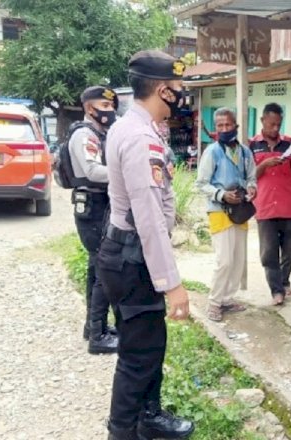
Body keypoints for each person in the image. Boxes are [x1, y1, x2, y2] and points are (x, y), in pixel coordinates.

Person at [96, 50, 194, 440]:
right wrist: (172, 283)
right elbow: (148, 217)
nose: (181, 96)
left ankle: (148, 416)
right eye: (178, 89)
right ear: (161, 89)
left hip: (128, 254)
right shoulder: (139, 137)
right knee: (139, 356)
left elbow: (161, 198)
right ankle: (122, 431)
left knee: (148, 344)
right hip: (132, 257)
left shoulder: (141, 129)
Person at [69, 85, 119, 355]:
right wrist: (124, 173)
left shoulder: (100, 133)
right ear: (90, 108)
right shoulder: (85, 134)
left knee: (95, 267)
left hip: (97, 205)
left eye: (112, 106)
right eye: (106, 106)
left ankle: (93, 326)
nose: (110, 111)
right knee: (103, 269)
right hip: (92, 207)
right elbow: (92, 170)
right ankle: (98, 336)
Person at [196, 107, 257, 322]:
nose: (223, 129)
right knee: (224, 260)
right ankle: (214, 302)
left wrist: (251, 188)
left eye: (227, 125)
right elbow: (201, 183)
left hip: (240, 211)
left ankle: (227, 299)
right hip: (219, 211)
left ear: (236, 127)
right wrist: (221, 194)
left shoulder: (245, 152)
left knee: (237, 259)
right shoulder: (212, 151)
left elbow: (251, 177)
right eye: (219, 126)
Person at [250, 103, 291, 305]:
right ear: (262, 121)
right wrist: (264, 164)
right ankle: (276, 290)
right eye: (272, 124)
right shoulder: (251, 145)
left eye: (279, 125)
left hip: (288, 205)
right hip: (264, 206)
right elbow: (249, 177)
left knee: (288, 250)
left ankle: (284, 282)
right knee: (268, 252)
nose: (275, 129)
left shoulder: (290, 144)